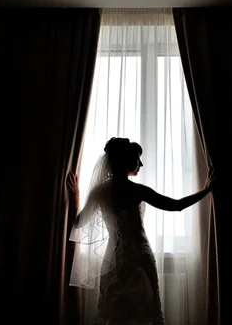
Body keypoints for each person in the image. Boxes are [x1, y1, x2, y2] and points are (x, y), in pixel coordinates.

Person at [68, 137, 215, 325]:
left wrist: (76, 198)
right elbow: (176, 205)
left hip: (112, 259)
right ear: (126, 162)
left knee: (113, 313)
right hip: (140, 256)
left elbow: (78, 223)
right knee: (148, 310)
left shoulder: (99, 191)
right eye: (138, 158)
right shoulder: (137, 191)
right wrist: (205, 190)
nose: (141, 164)